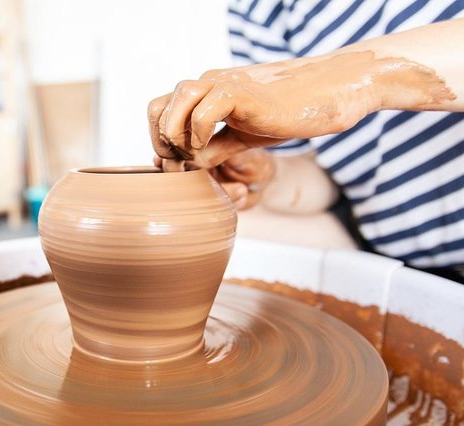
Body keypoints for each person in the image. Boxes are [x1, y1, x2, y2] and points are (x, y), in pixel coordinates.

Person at [148, 3, 464, 281]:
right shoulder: (257, 9)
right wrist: (270, 175)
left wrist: (345, 77)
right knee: (188, 228)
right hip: (405, 259)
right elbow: (336, 174)